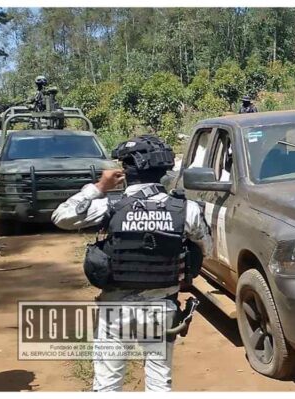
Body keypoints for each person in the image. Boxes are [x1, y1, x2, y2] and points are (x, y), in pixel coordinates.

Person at [51, 135, 212, 392]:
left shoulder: (110, 206)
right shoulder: (186, 209)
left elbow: (61, 216)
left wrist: (99, 187)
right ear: (164, 170)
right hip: (162, 306)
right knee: (159, 382)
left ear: (125, 170)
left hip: (116, 309)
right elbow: (207, 249)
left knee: (108, 384)